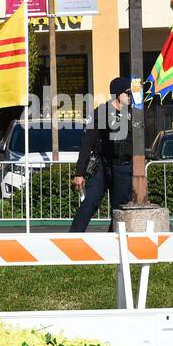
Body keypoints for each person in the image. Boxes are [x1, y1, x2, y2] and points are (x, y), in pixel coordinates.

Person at [71, 77, 136, 233]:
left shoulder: (134, 113)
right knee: (90, 202)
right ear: (118, 94)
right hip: (102, 166)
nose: (130, 96)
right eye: (128, 93)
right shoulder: (101, 112)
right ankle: (72, 238)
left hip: (123, 168)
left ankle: (114, 244)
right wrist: (79, 173)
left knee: (119, 210)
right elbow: (87, 143)